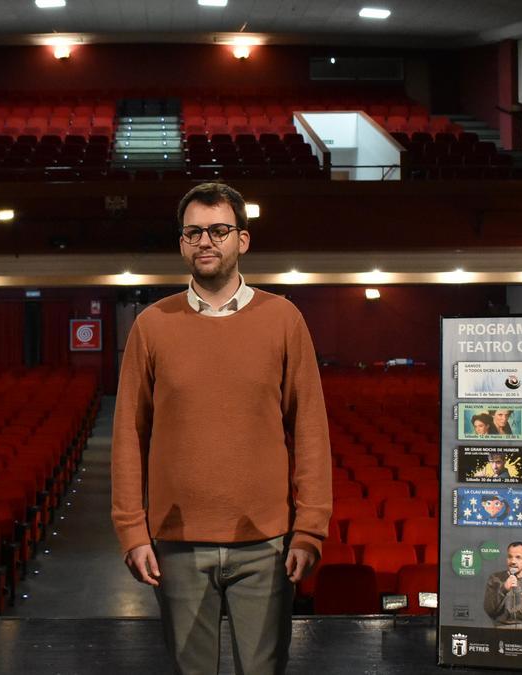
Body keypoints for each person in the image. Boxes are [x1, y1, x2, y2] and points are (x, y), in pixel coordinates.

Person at [112, 182, 331, 675]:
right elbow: (128, 433)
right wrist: (132, 530)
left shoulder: (284, 319)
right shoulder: (151, 324)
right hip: (178, 543)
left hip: (266, 543)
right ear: (182, 242)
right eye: (193, 232)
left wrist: (309, 530)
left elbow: (311, 431)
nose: (205, 241)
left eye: (218, 230)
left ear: (242, 240)